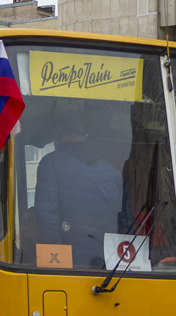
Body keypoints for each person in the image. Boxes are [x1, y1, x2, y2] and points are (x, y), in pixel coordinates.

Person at [35, 111, 131, 268]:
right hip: (108, 265)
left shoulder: (50, 163)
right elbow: (126, 220)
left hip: (70, 264)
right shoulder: (111, 171)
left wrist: (57, 262)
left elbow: (46, 217)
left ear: (58, 134)